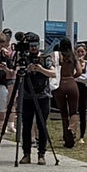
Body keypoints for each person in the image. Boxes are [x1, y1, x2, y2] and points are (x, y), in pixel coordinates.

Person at [17, 33, 58, 165]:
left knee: (42, 125)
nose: (33, 48)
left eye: (35, 46)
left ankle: (41, 154)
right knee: (27, 126)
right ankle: (26, 153)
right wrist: (26, 70)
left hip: (43, 96)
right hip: (27, 96)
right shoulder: (24, 58)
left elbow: (53, 73)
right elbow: (17, 72)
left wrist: (41, 69)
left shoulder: (45, 58)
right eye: (31, 46)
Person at [52, 38, 81, 148]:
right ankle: (72, 130)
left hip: (60, 84)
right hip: (71, 83)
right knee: (74, 111)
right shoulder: (73, 56)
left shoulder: (57, 55)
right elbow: (79, 71)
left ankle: (66, 137)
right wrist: (72, 77)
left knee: (63, 113)